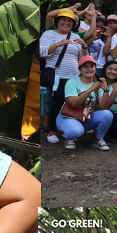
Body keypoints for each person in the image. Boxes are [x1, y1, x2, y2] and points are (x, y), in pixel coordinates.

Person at [39, 7, 87, 144]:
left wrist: (84, 46)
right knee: (57, 103)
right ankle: (52, 131)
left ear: (74, 24)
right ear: (58, 21)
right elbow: (42, 52)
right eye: (63, 20)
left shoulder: (76, 37)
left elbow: (84, 59)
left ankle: (69, 131)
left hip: (74, 77)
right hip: (57, 77)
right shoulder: (49, 34)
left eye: (69, 21)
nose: (66, 23)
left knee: (72, 104)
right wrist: (59, 43)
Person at [59, 55, 111, 150]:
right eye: (85, 66)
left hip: (85, 117)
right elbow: (73, 104)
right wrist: (89, 90)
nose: (89, 69)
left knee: (107, 114)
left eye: (91, 66)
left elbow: (104, 107)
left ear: (95, 68)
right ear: (79, 69)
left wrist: (106, 91)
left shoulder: (98, 84)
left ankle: (98, 140)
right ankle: (69, 136)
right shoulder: (72, 82)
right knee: (75, 132)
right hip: (68, 116)